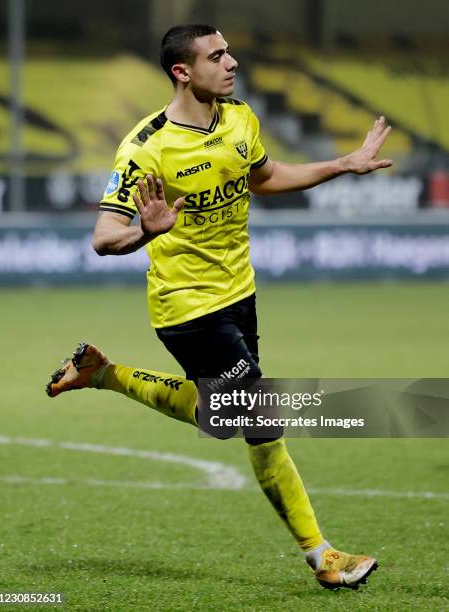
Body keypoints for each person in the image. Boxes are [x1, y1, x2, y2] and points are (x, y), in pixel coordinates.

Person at [46, 24, 392, 590]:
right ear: (182, 71)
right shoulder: (146, 147)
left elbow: (267, 177)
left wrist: (341, 165)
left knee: (229, 417)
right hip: (185, 305)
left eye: (228, 51)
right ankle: (322, 557)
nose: (231, 62)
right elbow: (104, 237)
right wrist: (145, 232)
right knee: (259, 419)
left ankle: (103, 372)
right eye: (216, 55)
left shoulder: (239, 119)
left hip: (240, 293)